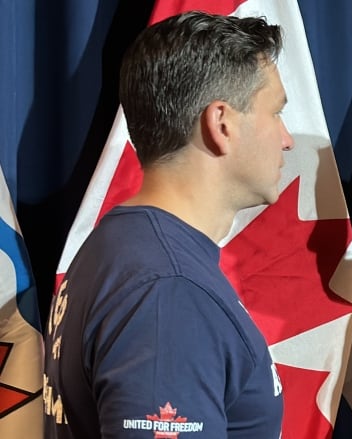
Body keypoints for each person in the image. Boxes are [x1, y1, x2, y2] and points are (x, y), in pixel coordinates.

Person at [42, 11, 293, 438]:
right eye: (276, 113)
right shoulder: (168, 290)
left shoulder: (117, 246)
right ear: (222, 124)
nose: (287, 138)